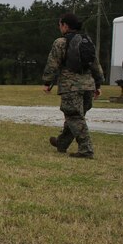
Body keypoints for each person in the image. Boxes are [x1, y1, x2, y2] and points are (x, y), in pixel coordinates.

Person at [42, 12, 104, 159]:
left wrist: (47, 82)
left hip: (71, 87)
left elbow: (53, 64)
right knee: (74, 117)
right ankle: (62, 143)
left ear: (65, 25)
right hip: (88, 85)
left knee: (74, 117)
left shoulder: (61, 42)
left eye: (60, 25)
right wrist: (98, 84)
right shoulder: (86, 41)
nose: (59, 28)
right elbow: (95, 65)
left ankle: (86, 149)